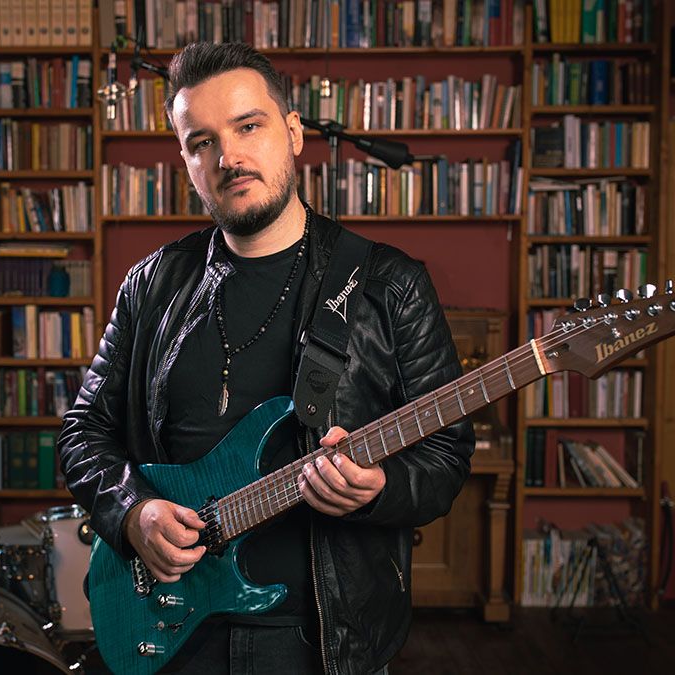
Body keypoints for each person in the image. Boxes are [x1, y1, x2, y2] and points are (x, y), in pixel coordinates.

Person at [58, 42, 474, 674]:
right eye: (202, 142)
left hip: (322, 640)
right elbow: (84, 431)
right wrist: (131, 512)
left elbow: (445, 455)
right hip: (170, 627)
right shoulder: (153, 284)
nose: (228, 157)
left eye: (248, 126)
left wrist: (379, 489)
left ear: (294, 132)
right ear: (187, 161)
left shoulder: (389, 284)